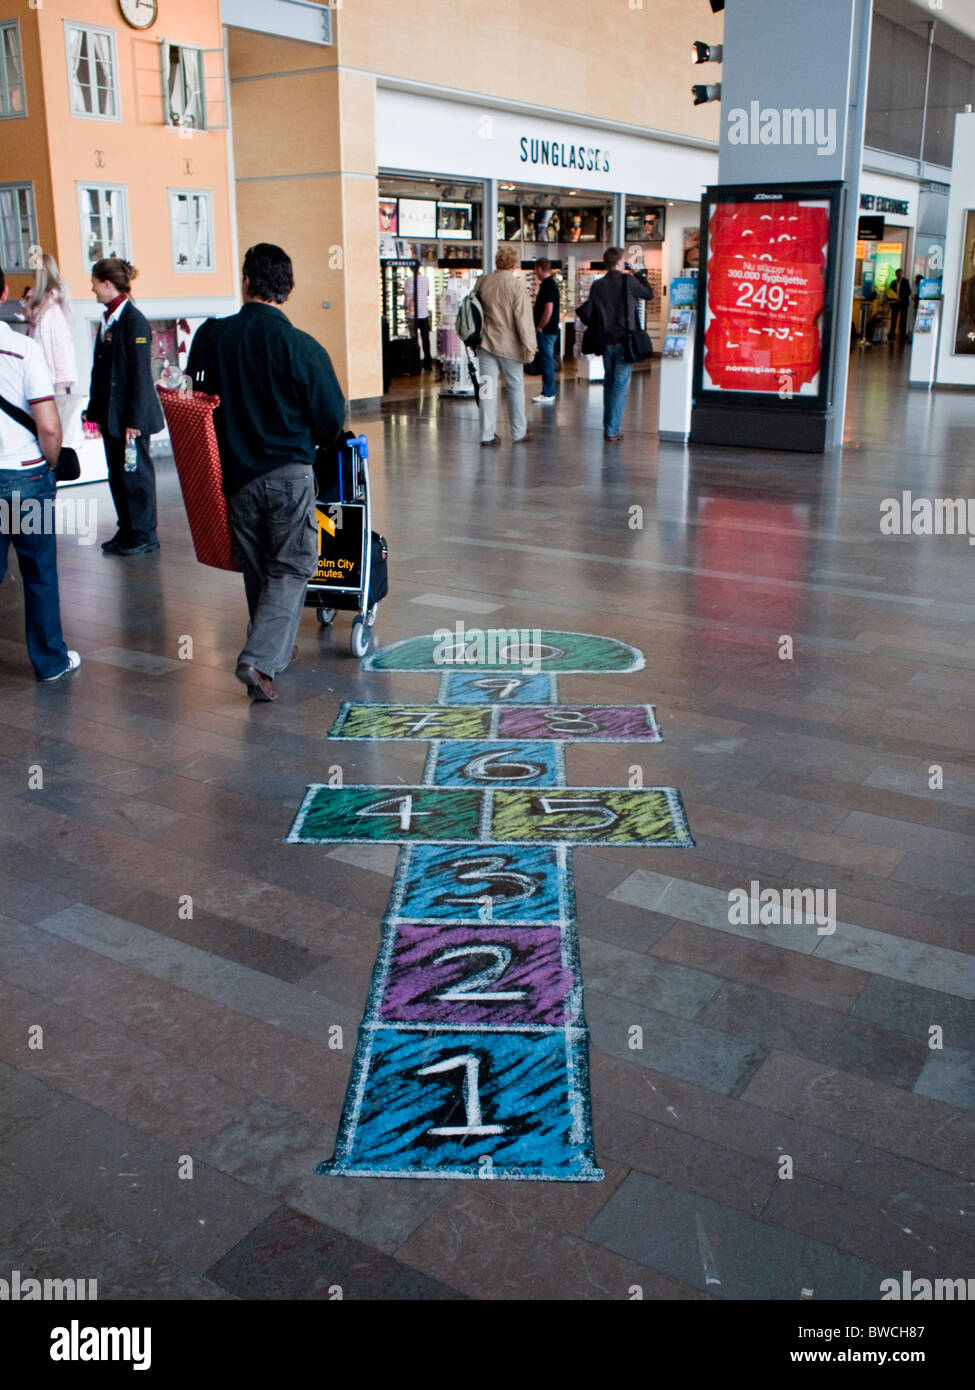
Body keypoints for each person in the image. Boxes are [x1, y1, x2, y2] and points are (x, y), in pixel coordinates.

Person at [187, 243, 345, 703]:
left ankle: (273, 650)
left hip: (235, 475)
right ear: (288, 290)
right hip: (290, 473)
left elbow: (197, 396)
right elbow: (331, 416)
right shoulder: (301, 347)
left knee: (258, 569)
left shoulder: (212, 337)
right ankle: (259, 659)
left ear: (246, 282)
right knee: (293, 565)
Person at [0, 262, 80, 681]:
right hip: (26, 479)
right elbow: (48, 424)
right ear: (5, 293)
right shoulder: (22, 348)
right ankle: (50, 661)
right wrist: (51, 465)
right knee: (39, 573)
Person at [85, 258, 163, 556]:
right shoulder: (109, 320)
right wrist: (94, 414)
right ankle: (128, 528)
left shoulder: (134, 321)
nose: (91, 288)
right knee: (117, 473)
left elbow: (139, 376)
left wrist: (135, 420)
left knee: (136, 473)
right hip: (111, 416)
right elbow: (102, 372)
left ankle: (144, 533)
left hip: (131, 418)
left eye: (94, 282)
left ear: (107, 283)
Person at [577, 246, 654, 442]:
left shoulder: (598, 285)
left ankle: (608, 426)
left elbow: (590, 313)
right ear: (620, 262)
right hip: (624, 341)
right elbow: (648, 294)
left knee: (609, 384)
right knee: (620, 386)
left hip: (605, 341)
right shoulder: (628, 281)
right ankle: (612, 429)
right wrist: (639, 274)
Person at [475, 244, 536, 447]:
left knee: (486, 390)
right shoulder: (516, 286)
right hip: (510, 346)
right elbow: (523, 320)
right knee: (515, 388)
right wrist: (529, 348)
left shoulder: (483, 282)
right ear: (515, 264)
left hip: (485, 344)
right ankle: (518, 431)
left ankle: (487, 434)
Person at [19, 250, 77, 393]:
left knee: (53, 358)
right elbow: (27, 307)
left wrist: (36, 316)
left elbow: (49, 302)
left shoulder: (55, 289)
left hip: (51, 330)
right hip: (40, 330)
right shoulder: (35, 291)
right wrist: (31, 316)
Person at [531, 259, 560, 405]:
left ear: (540, 269)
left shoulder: (548, 286)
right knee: (546, 359)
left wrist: (540, 327)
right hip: (550, 330)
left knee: (546, 360)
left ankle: (548, 392)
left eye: (536, 270)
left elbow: (548, 311)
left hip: (546, 331)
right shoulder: (550, 285)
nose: (535, 274)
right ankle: (547, 391)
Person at [405, 269, 432, 371]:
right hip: (424, 314)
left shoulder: (408, 280)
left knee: (414, 341)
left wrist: (405, 307)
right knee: (426, 340)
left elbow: (407, 297)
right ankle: (428, 364)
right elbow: (427, 293)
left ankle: (415, 364)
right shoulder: (426, 279)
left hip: (412, 315)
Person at [887, 268, 910, 343]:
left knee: (903, 319)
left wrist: (901, 298)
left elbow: (908, 292)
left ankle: (902, 334)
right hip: (895, 303)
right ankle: (892, 333)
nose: (899, 275)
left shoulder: (906, 282)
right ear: (896, 274)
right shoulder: (893, 282)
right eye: (898, 274)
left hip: (903, 303)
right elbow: (890, 292)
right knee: (894, 318)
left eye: (900, 274)